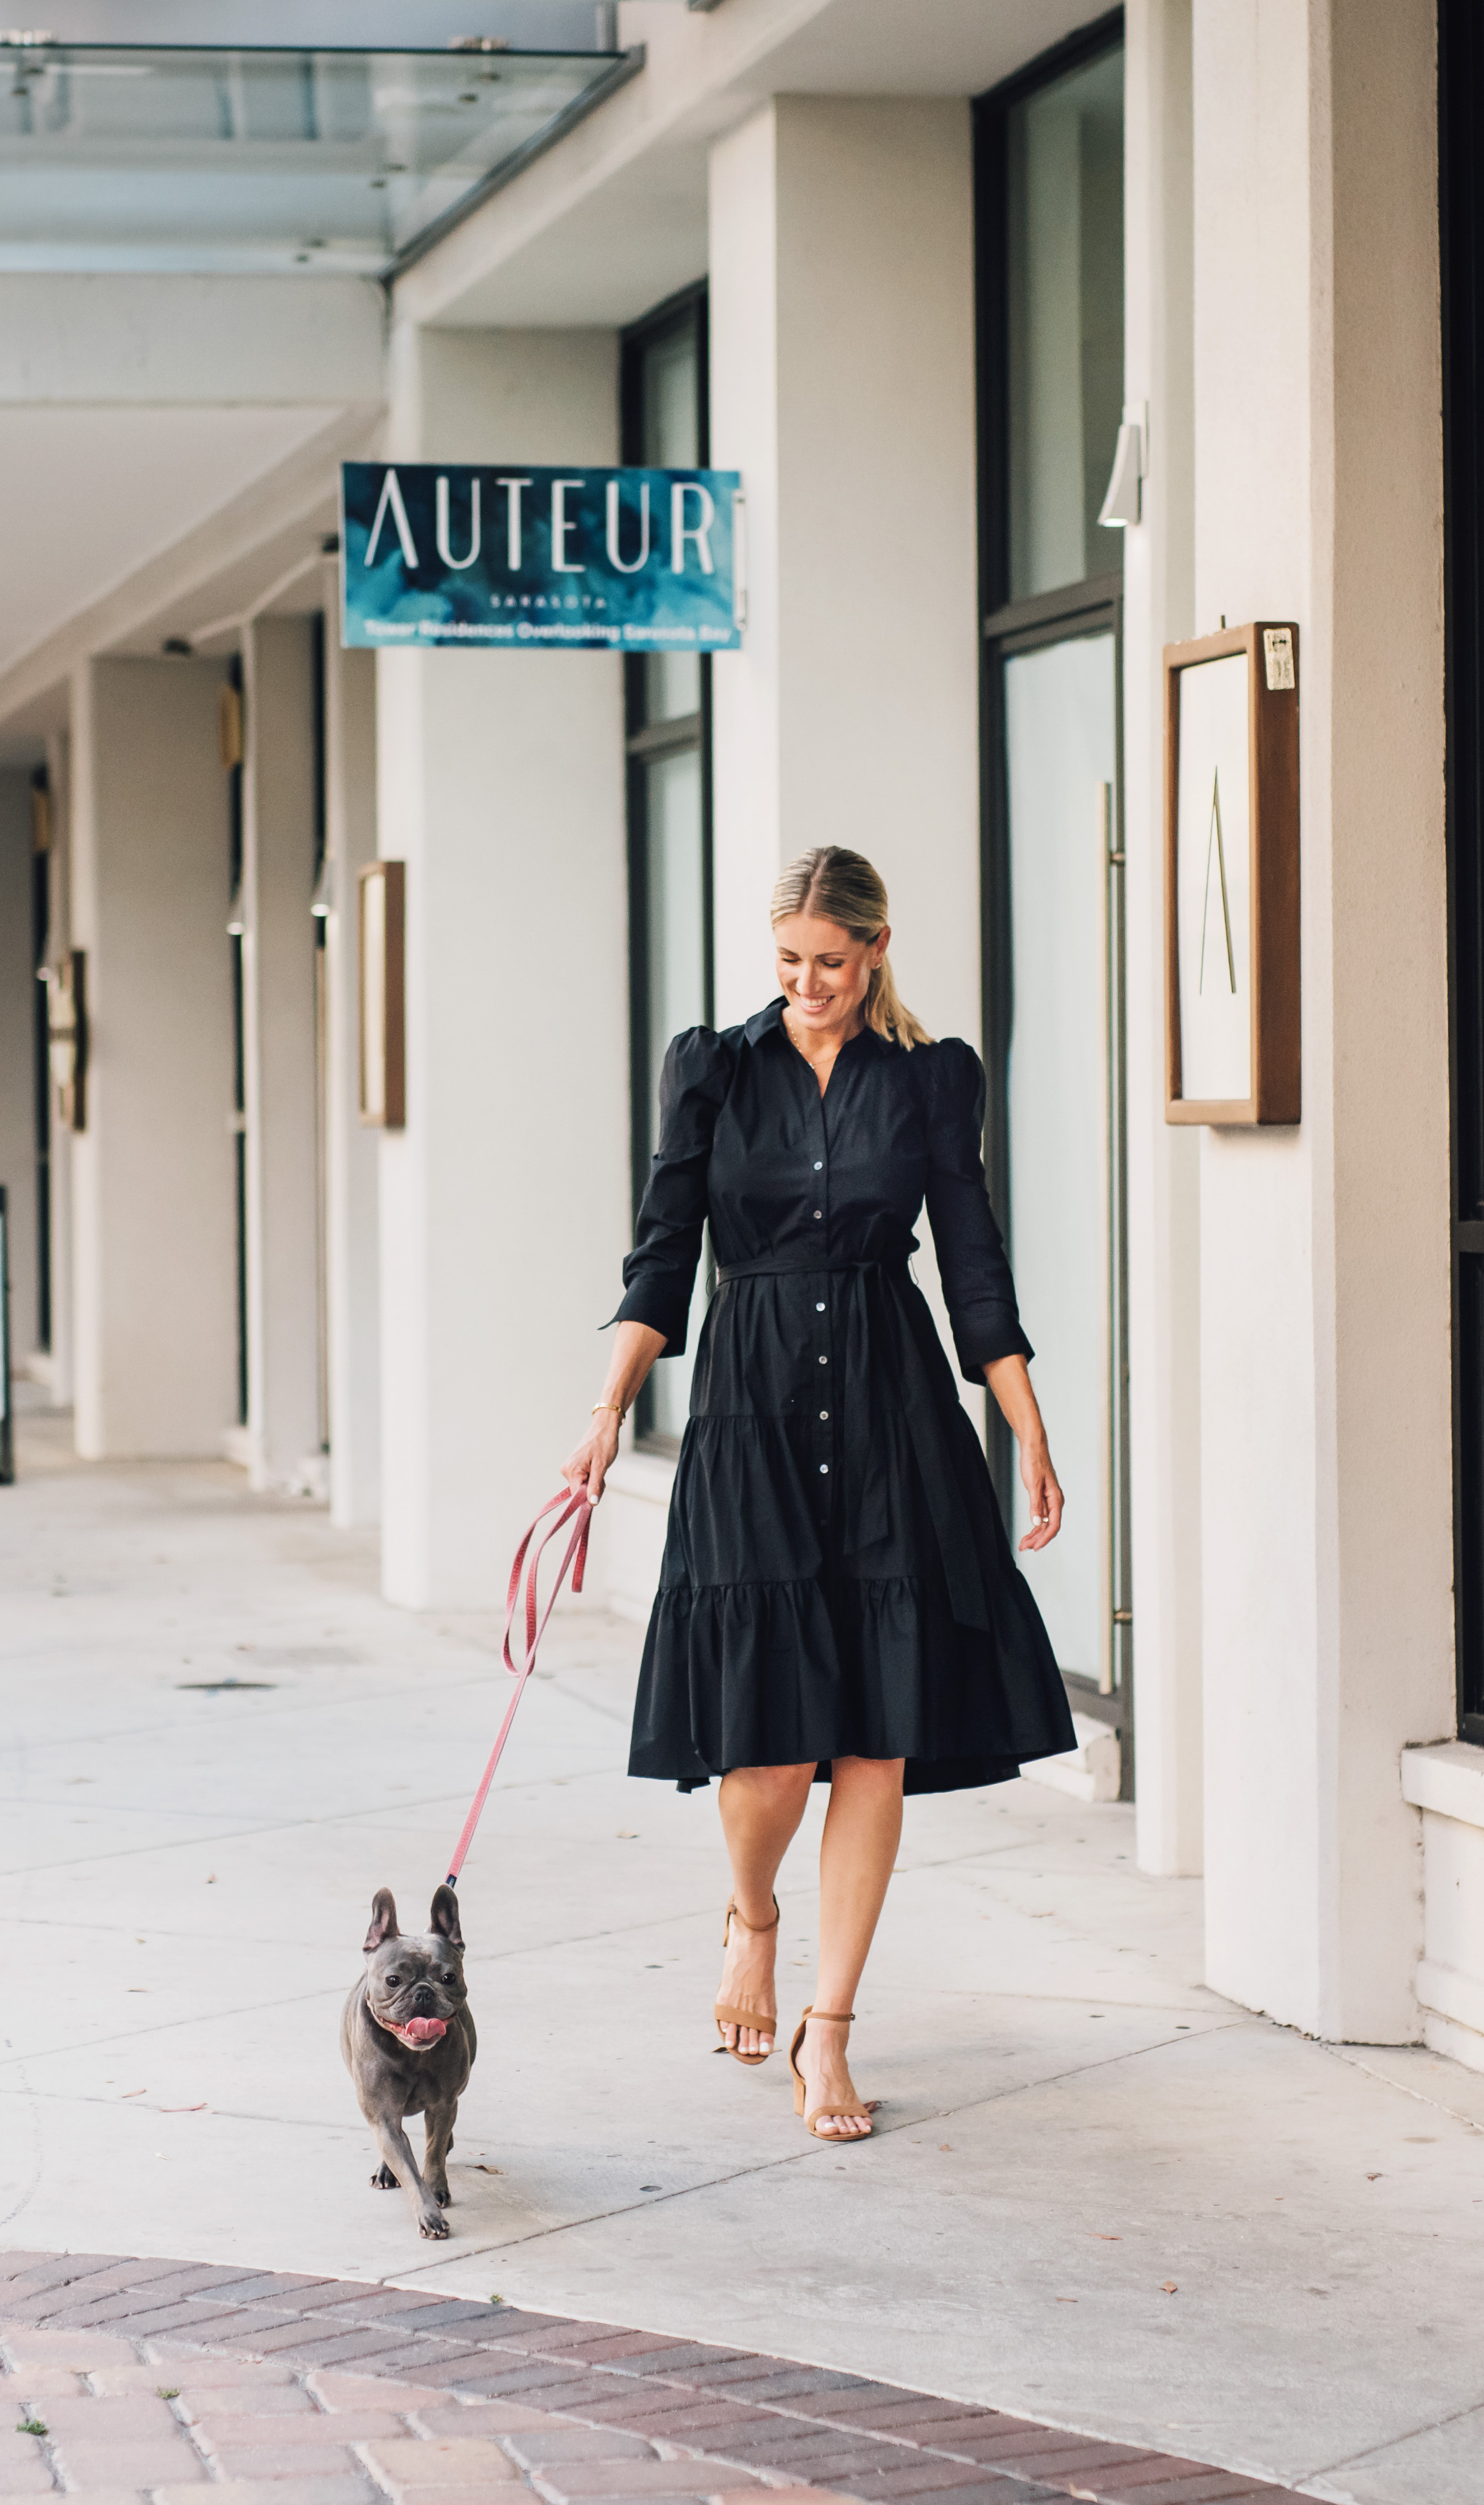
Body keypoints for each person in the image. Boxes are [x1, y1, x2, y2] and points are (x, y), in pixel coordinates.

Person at [563, 845, 1079, 2144]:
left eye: (831, 964)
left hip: (898, 1410)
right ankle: (752, 1914)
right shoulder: (715, 1068)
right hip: (750, 1411)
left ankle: (830, 2030)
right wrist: (605, 1411)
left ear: (877, 948)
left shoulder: (927, 1078)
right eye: (788, 961)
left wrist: (1024, 1425)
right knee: (769, 1743)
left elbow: (971, 1262)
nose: (808, 984)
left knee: (875, 1742)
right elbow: (662, 1251)